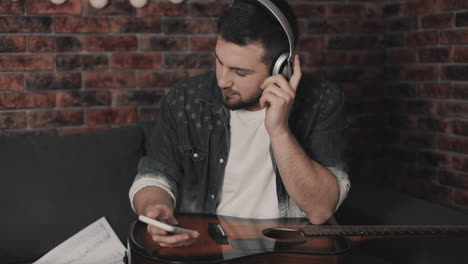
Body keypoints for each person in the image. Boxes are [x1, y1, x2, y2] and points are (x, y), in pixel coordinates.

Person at [129, 0, 350, 248]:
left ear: (281, 68)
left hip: (286, 254)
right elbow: (155, 173)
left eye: (240, 72)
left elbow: (320, 210)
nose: (222, 80)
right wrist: (155, 208)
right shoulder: (185, 98)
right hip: (205, 250)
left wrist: (279, 130)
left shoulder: (322, 102)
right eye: (219, 61)